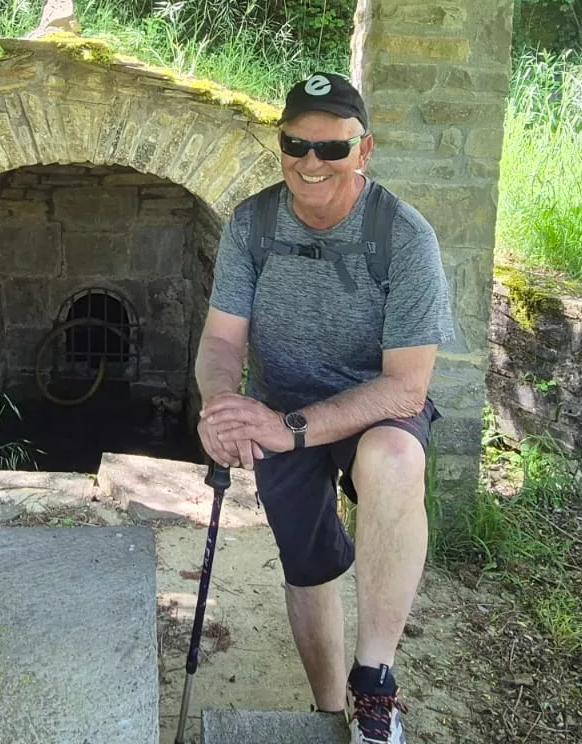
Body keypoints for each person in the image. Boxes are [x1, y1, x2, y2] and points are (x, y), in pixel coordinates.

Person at [195, 72, 453, 744]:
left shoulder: (403, 236)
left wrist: (288, 429)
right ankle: (325, 712)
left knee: (394, 457)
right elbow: (221, 340)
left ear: (363, 151)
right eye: (295, 144)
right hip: (281, 397)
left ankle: (374, 685)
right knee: (306, 560)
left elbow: (407, 387)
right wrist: (221, 402)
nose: (311, 162)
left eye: (331, 149)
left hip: (374, 403)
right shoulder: (251, 222)